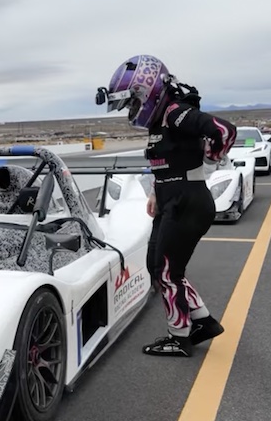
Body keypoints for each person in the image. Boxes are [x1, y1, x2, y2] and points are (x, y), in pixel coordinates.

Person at [95, 54, 236, 357]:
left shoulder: (175, 113)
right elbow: (168, 164)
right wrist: (157, 194)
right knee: (158, 268)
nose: (131, 108)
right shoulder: (161, 120)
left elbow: (224, 131)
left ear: (148, 91)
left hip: (188, 201)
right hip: (172, 201)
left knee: (168, 273)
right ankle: (203, 321)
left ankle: (179, 336)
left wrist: (206, 168)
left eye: (133, 100)